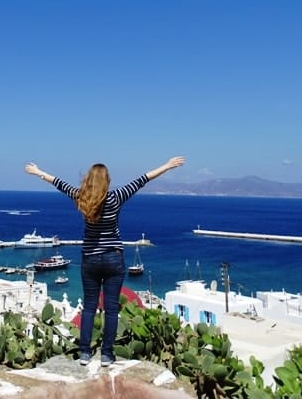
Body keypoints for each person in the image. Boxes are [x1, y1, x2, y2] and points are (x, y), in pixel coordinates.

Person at [24, 156, 185, 367]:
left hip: (90, 259)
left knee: (89, 308)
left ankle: (84, 353)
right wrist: (166, 166)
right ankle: (107, 355)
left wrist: (39, 172)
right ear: (107, 181)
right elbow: (143, 179)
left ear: (88, 180)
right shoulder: (116, 197)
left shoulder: (81, 197)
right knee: (111, 309)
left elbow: (59, 183)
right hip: (113, 258)